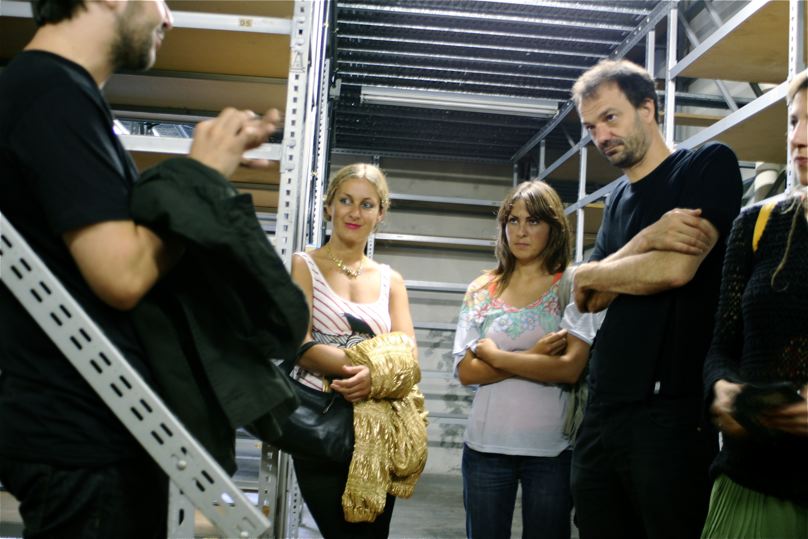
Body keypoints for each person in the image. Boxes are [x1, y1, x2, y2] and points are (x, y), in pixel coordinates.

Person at [0, 1, 280, 537]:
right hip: (84, 438)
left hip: (96, 433)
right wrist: (201, 176)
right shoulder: (50, 93)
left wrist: (202, 178)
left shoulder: (58, 94)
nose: (168, 17)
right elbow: (122, 275)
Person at [568, 59, 743, 538]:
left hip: (669, 414)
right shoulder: (618, 201)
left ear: (648, 108)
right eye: (590, 127)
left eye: (610, 117)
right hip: (603, 409)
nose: (601, 136)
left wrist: (598, 273)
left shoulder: (706, 165)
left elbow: (675, 270)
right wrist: (646, 240)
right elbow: (585, 296)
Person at [452, 180, 602, 539]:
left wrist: (495, 357)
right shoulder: (482, 289)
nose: (520, 231)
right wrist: (534, 356)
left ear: (553, 227)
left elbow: (569, 369)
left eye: (533, 221)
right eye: (513, 220)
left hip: (551, 451)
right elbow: (467, 372)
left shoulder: (573, 286)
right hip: (485, 448)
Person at [701, 69, 808, 538]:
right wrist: (722, 389)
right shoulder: (757, 226)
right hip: (753, 484)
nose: (798, 138)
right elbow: (721, 346)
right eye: (794, 121)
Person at [289, 163, 421, 539]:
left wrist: (373, 379)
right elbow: (299, 344)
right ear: (329, 205)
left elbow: (409, 357)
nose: (354, 212)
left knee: (373, 535)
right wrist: (372, 368)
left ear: (380, 214)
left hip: (379, 428)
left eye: (367, 204)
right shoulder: (304, 265)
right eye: (346, 200)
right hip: (318, 420)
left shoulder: (391, 280)